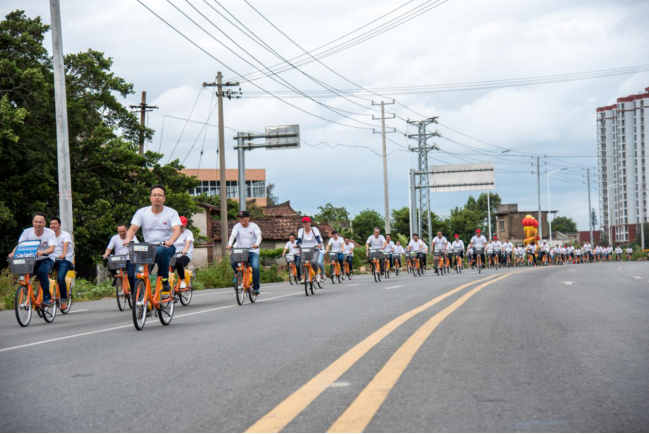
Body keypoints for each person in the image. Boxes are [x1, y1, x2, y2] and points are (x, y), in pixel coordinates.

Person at [123, 185, 182, 299]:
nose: (157, 197)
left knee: (160, 251)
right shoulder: (142, 212)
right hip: (148, 247)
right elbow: (133, 228)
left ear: (164, 198)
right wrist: (128, 239)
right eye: (154, 195)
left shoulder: (171, 213)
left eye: (160, 195)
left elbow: (176, 229)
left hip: (166, 246)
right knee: (139, 273)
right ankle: (141, 298)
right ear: (150, 198)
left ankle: (165, 280)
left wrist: (171, 240)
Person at [9, 213, 57, 306]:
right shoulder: (27, 232)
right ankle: (28, 293)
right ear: (32, 222)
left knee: (42, 272)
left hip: (47, 258)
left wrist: (44, 252)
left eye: (40, 222)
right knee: (24, 274)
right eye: (35, 221)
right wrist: (13, 253)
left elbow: (52, 248)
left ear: (44, 223)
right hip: (31, 259)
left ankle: (47, 297)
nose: (37, 224)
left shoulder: (50, 233)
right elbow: (20, 245)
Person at [227, 211, 262, 295]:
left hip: (252, 251)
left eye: (243, 217)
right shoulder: (237, 226)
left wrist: (256, 244)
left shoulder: (254, 226)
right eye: (239, 217)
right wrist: (229, 244)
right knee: (233, 262)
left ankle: (256, 288)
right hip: (241, 250)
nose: (241, 219)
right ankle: (238, 275)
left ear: (248, 218)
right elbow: (233, 236)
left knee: (255, 267)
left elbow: (259, 236)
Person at [103, 224, 138, 292]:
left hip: (129, 258)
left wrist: (131, 244)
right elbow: (109, 248)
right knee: (110, 262)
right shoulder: (115, 238)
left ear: (127, 230)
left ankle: (134, 292)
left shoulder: (132, 236)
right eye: (119, 231)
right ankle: (116, 277)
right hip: (119, 259)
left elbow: (137, 245)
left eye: (123, 231)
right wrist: (106, 254)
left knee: (131, 276)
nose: (121, 233)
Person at [49, 218, 73, 310]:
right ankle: (48, 296)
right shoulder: (48, 235)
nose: (53, 226)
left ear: (59, 225)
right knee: (43, 275)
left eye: (55, 224)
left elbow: (65, 245)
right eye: (51, 224)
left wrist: (63, 254)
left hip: (64, 259)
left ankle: (63, 300)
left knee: (60, 278)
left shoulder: (65, 235)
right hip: (52, 259)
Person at [296, 217, 324, 283]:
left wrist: (319, 243)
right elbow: (299, 239)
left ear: (310, 223)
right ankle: (303, 277)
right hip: (304, 249)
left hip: (314, 248)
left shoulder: (314, 229)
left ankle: (317, 273)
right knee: (302, 262)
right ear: (302, 224)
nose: (305, 223)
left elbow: (317, 237)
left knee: (313, 262)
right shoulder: (301, 230)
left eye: (307, 222)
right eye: (304, 222)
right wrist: (297, 244)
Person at [174, 217, 195, 291]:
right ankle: (168, 284)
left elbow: (188, 242)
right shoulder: (173, 232)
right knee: (166, 266)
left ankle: (182, 280)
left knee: (179, 263)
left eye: (182, 226)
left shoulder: (188, 233)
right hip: (174, 255)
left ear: (185, 225)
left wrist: (185, 250)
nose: (180, 227)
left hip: (185, 255)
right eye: (179, 225)